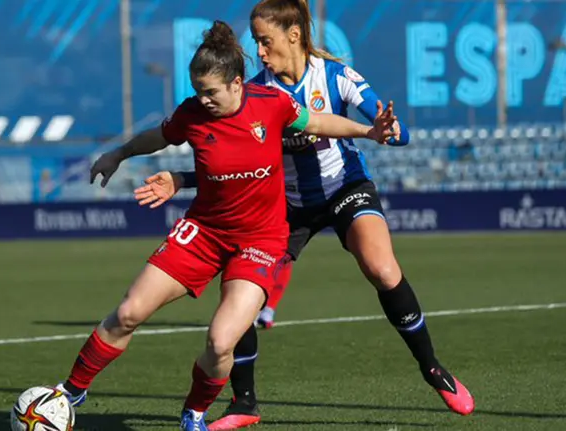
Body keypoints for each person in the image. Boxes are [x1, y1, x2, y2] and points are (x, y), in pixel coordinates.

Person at [131, 1, 475, 429]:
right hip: (285, 207)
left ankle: (432, 369)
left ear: (294, 35)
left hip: (344, 189)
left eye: (265, 39)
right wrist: (182, 180)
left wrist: (388, 131)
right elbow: (232, 167)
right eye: (255, 40)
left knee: (382, 269)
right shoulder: (254, 93)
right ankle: (244, 404)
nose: (258, 48)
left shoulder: (336, 76)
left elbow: (391, 130)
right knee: (240, 298)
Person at [53, 20, 393, 431]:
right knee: (128, 312)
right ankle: (71, 391)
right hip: (204, 231)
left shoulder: (271, 103)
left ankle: (194, 413)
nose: (203, 99)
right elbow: (157, 138)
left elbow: (320, 123)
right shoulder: (192, 114)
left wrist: (368, 131)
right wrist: (120, 153)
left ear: (236, 83)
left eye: (210, 91)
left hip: (261, 240)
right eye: (197, 91)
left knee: (219, 341)